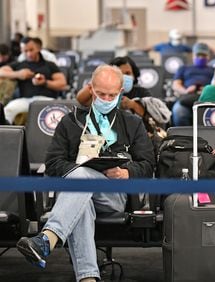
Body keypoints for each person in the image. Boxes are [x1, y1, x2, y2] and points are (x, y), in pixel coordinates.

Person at [16, 64, 155, 282]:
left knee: (79, 182)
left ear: (120, 93)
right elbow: (52, 164)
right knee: (82, 197)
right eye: (101, 94)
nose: (106, 99)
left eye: (112, 95)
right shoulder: (71, 122)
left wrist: (125, 172)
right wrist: (81, 168)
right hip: (78, 195)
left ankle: (47, 238)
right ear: (91, 89)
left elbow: (147, 164)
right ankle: (89, 278)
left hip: (114, 195)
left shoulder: (132, 123)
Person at [0, 36, 67, 124]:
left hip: (46, 99)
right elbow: (1, 72)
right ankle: (9, 135)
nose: (28, 54)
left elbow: (62, 84)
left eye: (31, 50)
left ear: (38, 48)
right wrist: (18, 74)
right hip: (25, 100)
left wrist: (45, 82)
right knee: (7, 111)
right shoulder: (19, 65)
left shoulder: (49, 65)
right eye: (25, 51)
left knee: (59, 114)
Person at [77, 56, 151, 117]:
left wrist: (132, 105)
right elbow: (81, 99)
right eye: (119, 73)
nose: (123, 77)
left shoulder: (142, 92)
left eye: (127, 73)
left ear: (134, 75)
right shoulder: (103, 93)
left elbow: (152, 115)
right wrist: (99, 78)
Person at [171, 42, 214, 126]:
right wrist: (186, 91)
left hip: (206, 98)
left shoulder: (213, 70)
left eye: (203, 55)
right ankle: (184, 137)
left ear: (208, 56)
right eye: (198, 55)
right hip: (187, 97)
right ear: (193, 55)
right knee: (179, 112)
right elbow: (176, 85)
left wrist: (207, 90)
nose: (201, 58)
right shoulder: (184, 68)